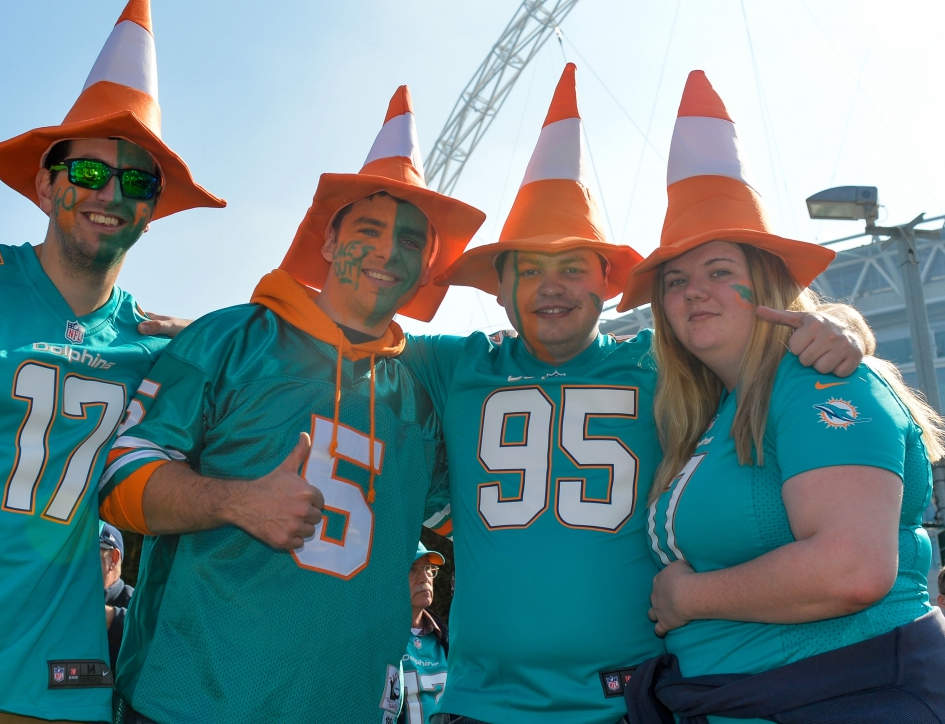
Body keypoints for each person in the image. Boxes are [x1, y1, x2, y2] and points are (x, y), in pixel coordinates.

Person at [401, 64, 870, 724]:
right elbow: (346, 341)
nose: (551, 286)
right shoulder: (453, 365)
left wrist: (841, 326)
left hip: (634, 702)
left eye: (572, 267)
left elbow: (756, 340)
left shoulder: (668, 365)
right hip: (479, 704)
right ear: (499, 287)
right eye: (529, 269)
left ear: (607, 281)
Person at [99, 87, 485, 724]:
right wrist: (235, 500)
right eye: (369, 229)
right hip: (189, 703)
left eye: (412, 242)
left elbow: (473, 519)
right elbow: (120, 474)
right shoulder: (232, 338)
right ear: (327, 243)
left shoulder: (418, 391)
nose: (389, 251)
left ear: (426, 269)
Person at [0, 0, 224, 724]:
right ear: (45, 182)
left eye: (135, 181)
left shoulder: (161, 352)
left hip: (65, 688)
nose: (109, 192)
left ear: (153, 212)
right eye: (87, 171)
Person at [623, 71, 945, 723]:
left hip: (849, 697)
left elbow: (851, 568)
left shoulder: (818, 378)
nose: (694, 292)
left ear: (766, 282)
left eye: (720, 272)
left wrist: (690, 599)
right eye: (677, 279)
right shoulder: (706, 409)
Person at [396, 543, 450, 724]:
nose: (424, 577)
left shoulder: (448, 640)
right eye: (412, 569)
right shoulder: (377, 640)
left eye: (428, 568)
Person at [101, 522, 134, 673]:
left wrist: (112, 617)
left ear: (114, 558)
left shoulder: (135, 602)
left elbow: (153, 636)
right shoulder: (66, 599)